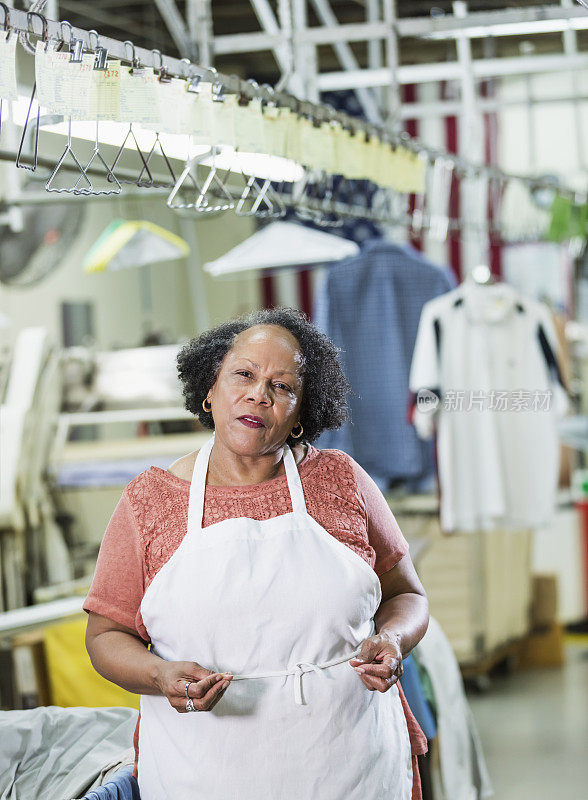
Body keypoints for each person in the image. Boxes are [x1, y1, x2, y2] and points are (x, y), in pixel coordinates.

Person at [84, 307, 430, 800]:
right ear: (209, 389)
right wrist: (160, 676)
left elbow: (407, 595)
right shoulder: (150, 501)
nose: (258, 395)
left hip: (351, 769)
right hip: (201, 775)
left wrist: (393, 640)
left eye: (282, 386)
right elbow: (104, 636)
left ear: (300, 413)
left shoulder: (341, 480)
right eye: (242, 375)